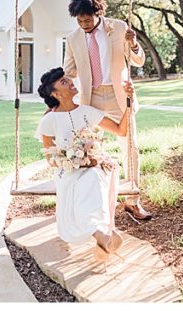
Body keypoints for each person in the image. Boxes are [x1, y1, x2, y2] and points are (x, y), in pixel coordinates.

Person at [63, 0, 152, 221]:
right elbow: (69, 70)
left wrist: (133, 44)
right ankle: (90, 203)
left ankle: (133, 201)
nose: (84, 25)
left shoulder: (119, 28)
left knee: (131, 147)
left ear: (98, 14)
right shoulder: (73, 39)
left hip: (118, 95)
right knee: (86, 150)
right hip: (89, 99)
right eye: (79, 21)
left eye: (88, 20)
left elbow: (139, 60)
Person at [35, 67, 135, 265]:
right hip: (67, 173)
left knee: (93, 177)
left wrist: (128, 102)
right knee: (89, 181)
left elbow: (120, 131)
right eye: (64, 82)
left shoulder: (87, 112)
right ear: (55, 94)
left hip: (95, 166)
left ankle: (101, 238)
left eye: (68, 79)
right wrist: (77, 161)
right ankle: (102, 238)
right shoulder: (49, 121)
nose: (71, 82)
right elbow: (51, 160)